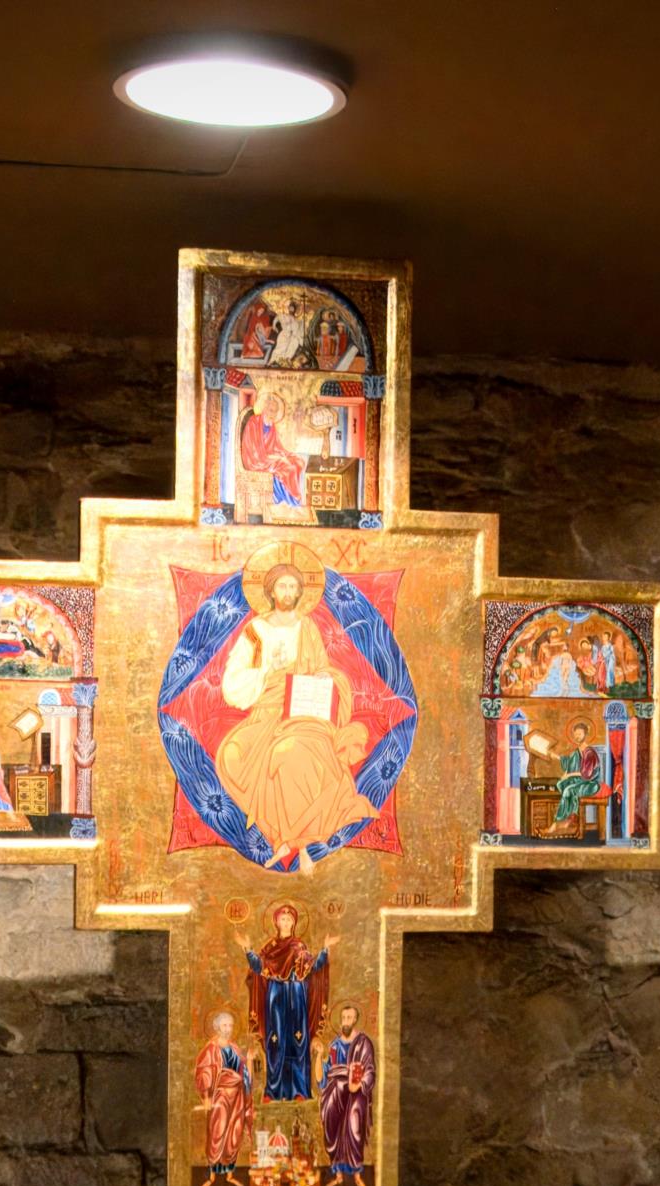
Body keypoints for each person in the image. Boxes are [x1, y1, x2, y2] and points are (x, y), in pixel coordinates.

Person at [217, 563, 376, 869]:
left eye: (292, 587)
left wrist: (322, 678)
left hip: (302, 713)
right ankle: (280, 836)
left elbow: (323, 669)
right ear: (271, 591)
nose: (287, 592)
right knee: (232, 753)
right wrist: (267, 674)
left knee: (288, 752)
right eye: (282, 586)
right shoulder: (255, 632)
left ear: (300, 592)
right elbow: (233, 682)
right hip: (265, 714)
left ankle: (297, 843)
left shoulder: (308, 628)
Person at [234, 904, 336, 1100]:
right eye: (283, 919)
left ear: (294, 923)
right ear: (276, 922)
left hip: (297, 996)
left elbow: (314, 967)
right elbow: (258, 967)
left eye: (290, 919)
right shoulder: (270, 947)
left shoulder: (299, 946)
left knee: (298, 1040)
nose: (286, 922)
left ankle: (300, 1090)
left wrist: (325, 949)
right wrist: (247, 949)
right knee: (275, 1040)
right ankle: (273, 1091)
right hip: (276, 996)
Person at [318, 1003, 375, 1186]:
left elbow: (370, 1071)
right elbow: (324, 1075)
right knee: (333, 1131)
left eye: (349, 1018)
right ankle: (338, 1175)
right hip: (335, 1093)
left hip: (355, 1094)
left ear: (355, 1020)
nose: (345, 1021)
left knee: (354, 1130)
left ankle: (357, 1175)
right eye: (343, 1018)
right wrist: (319, 1057)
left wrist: (359, 1084)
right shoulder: (334, 1045)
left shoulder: (363, 1043)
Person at [194, 1010, 253, 1186]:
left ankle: (229, 1175)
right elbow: (203, 1072)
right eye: (225, 1025)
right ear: (217, 1027)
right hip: (220, 1097)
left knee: (234, 1133)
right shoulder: (211, 1049)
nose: (228, 1029)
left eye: (230, 1026)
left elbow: (244, 1073)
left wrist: (249, 1060)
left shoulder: (235, 1048)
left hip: (237, 1096)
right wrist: (206, 1096)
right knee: (217, 1133)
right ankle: (212, 1176)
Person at [238, 387, 305, 508]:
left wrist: (286, 455)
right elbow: (251, 449)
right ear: (265, 408)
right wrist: (275, 458)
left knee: (297, 461)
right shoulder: (253, 422)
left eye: (275, 411)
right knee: (287, 467)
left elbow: (276, 446)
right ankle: (291, 502)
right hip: (255, 460)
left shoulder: (271, 425)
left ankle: (284, 499)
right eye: (271, 410)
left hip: (268, 457)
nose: (272, 414)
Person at [552, 719, 602, 826]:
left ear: (585, 734)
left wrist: (568, 775)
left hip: (590, 784)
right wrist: (556, 757)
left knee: (568, 790)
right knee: (560, 784)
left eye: (579, 734)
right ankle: (571, 815)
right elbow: (569, 764)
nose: (577, 736)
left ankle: (558, 822)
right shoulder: (576, 752)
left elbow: (586, 774)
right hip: (580, 781)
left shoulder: (589, 753)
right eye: (575, 734)